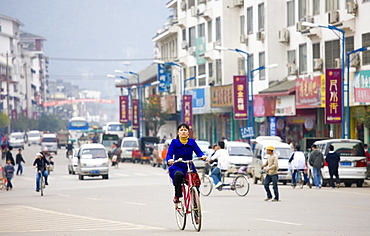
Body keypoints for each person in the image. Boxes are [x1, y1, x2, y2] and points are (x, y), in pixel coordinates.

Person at [166, 123, 206, 203]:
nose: (183, 132)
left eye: (185, 130)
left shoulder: (192, 142)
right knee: (178, 175)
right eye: (181, 130)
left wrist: (202, 156)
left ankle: (196, 207)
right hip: (178, 166)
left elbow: (198, 152)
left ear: (188, 132)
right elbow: (170, 153)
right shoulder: (174, 142)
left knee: (196, 184)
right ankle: (177, 196)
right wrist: (170, 159)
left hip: (189, 167)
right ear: (178, 132)